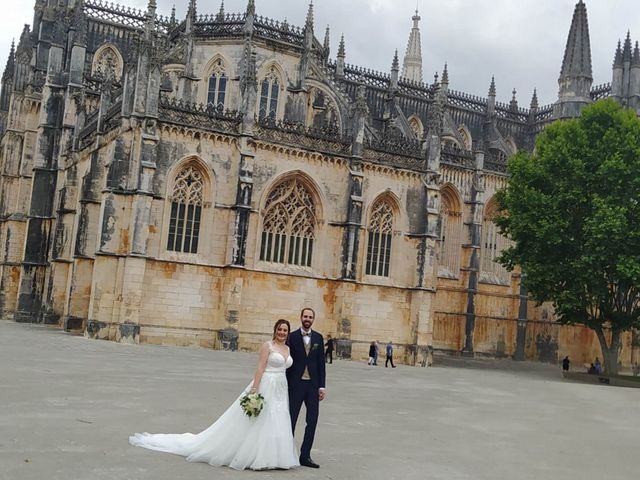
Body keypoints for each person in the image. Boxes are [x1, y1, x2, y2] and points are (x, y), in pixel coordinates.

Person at [128, 319, 299, 471]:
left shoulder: (287, 348)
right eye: (280, 329)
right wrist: (254, 390)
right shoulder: (267, 346)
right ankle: (256, 456)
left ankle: (276, 456)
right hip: (266, 384)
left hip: (280, 388)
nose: (282, 332)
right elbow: (260, 367)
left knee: (277, 418)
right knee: (260, 419)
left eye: (285, 330)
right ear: (275, 330)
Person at [287, 307, 326, 469]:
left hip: (312, 386)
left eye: (310, 317)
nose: (307, 319)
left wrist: (322, 386)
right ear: (301, 318)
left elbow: (321, 364)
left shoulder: (318, 337)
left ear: (313, 319)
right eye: (305, 316)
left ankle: (305, 455)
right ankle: (287, 453)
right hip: (296, 385)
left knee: (312, 420)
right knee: (291, 420)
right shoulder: (292, 337)